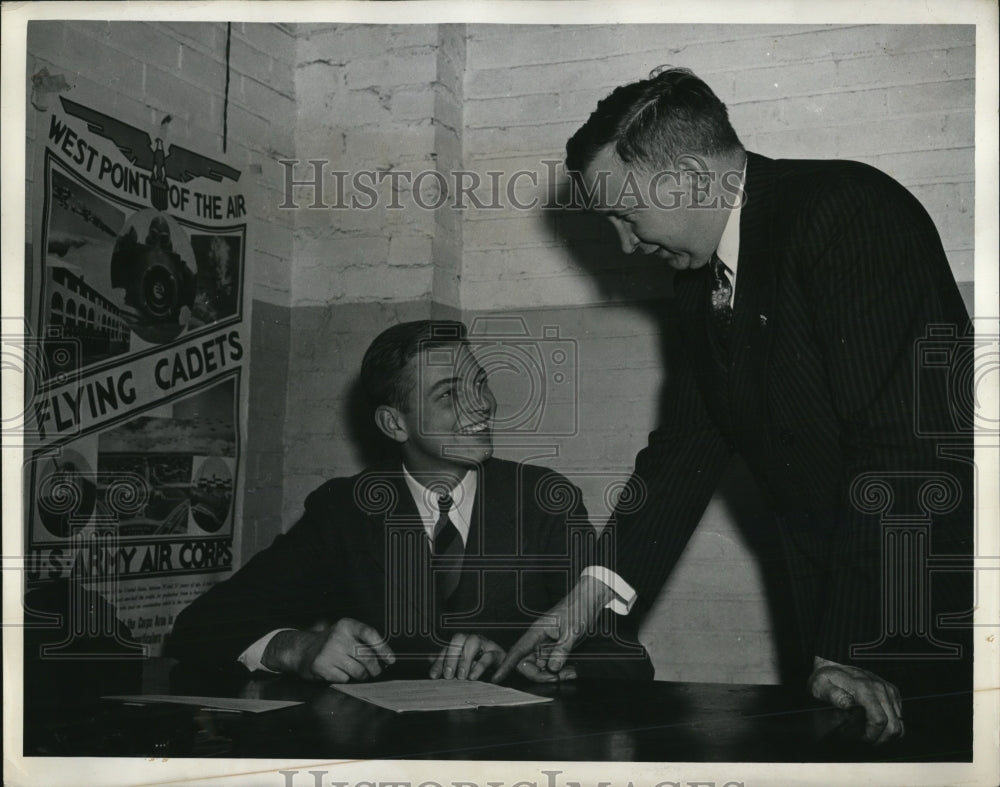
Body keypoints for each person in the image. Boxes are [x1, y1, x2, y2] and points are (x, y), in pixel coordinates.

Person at [495, 68, 973, 745]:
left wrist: (852, 646)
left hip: (921, 607)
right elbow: (686, 449)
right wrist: (583, 603)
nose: (627, 245)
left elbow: (904, 450)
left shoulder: (846, 211)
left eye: (625, 217)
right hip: (837, 612)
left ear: (690, 177)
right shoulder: (699, 281)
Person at [169, 319, 652, 683]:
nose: (482, 405)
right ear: (394, 425)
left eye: (480, 383)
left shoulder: (546, 499)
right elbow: (200, 627)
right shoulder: (345, 511)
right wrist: (299, 648)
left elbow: (626, 659)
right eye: (449, 394)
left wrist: (524, 658)